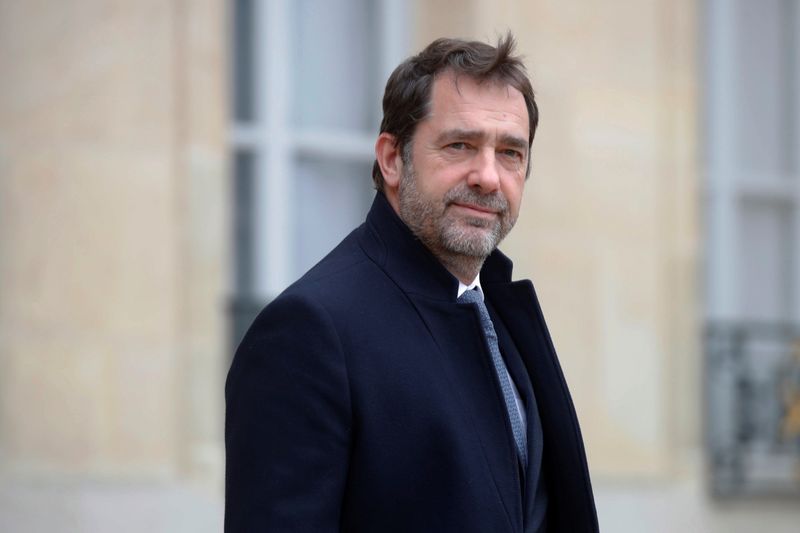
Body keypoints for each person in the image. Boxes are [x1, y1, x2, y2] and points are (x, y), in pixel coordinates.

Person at [225, 34, 599, 533]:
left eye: (510, 152)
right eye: (460, 145)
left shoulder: (500, 312)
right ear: (392, 159)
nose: (488, 176)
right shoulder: (309, 332)